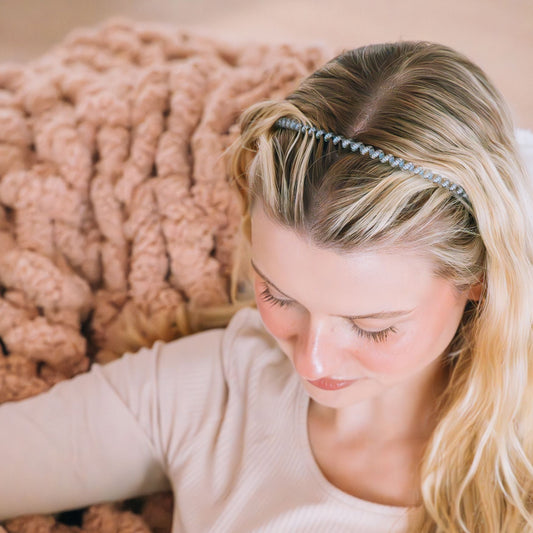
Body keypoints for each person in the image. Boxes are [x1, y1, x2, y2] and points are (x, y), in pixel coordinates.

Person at [1, 40, 532, 533]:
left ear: (479, 278)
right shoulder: (215, 391)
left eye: (372, 326)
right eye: (279, 296)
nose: (311, 362)